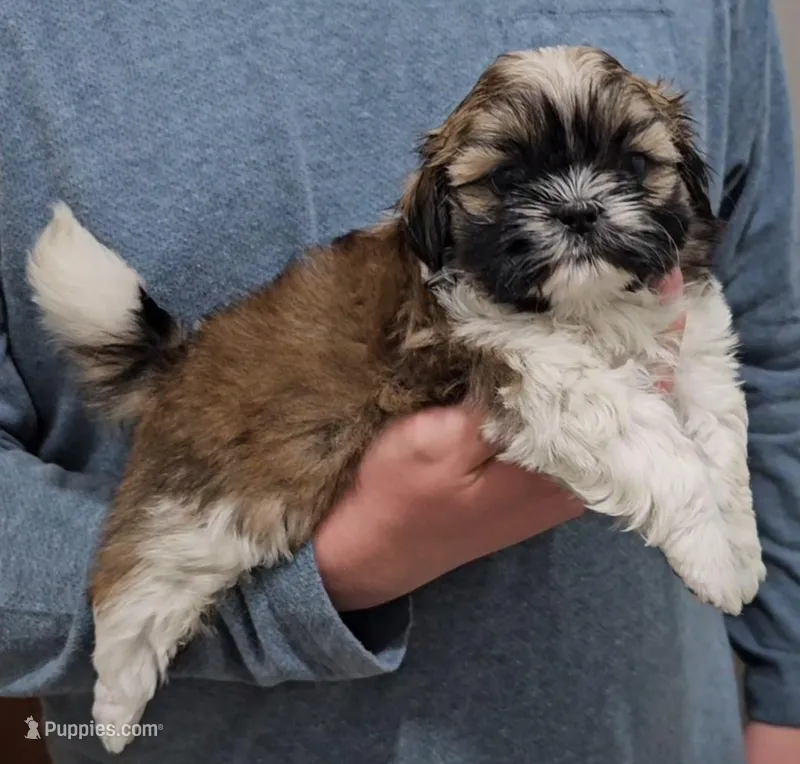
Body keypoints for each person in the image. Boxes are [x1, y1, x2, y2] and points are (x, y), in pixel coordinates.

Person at [0, 1, 797, 762]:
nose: (583, 206)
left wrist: (788, 693)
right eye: (508, 183)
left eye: (632, 167)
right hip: (247, 696)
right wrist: (325, 573)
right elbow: (567, 406)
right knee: (179, 558)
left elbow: (772, 347)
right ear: (436, 218)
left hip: (666, 734)